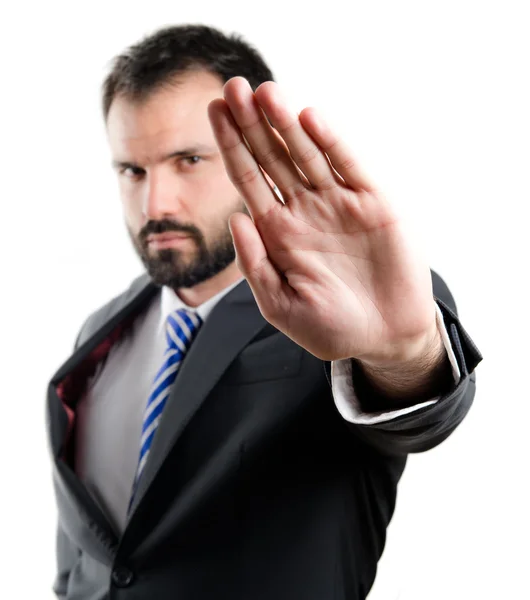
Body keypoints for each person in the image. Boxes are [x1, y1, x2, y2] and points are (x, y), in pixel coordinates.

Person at [46, 24, 482, 600]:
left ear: (257, 150)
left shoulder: (348, 311)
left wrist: (404, 351)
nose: (156, 204)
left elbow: (418, 407)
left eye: (189, 160)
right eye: (133, 170)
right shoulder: (103, 329)